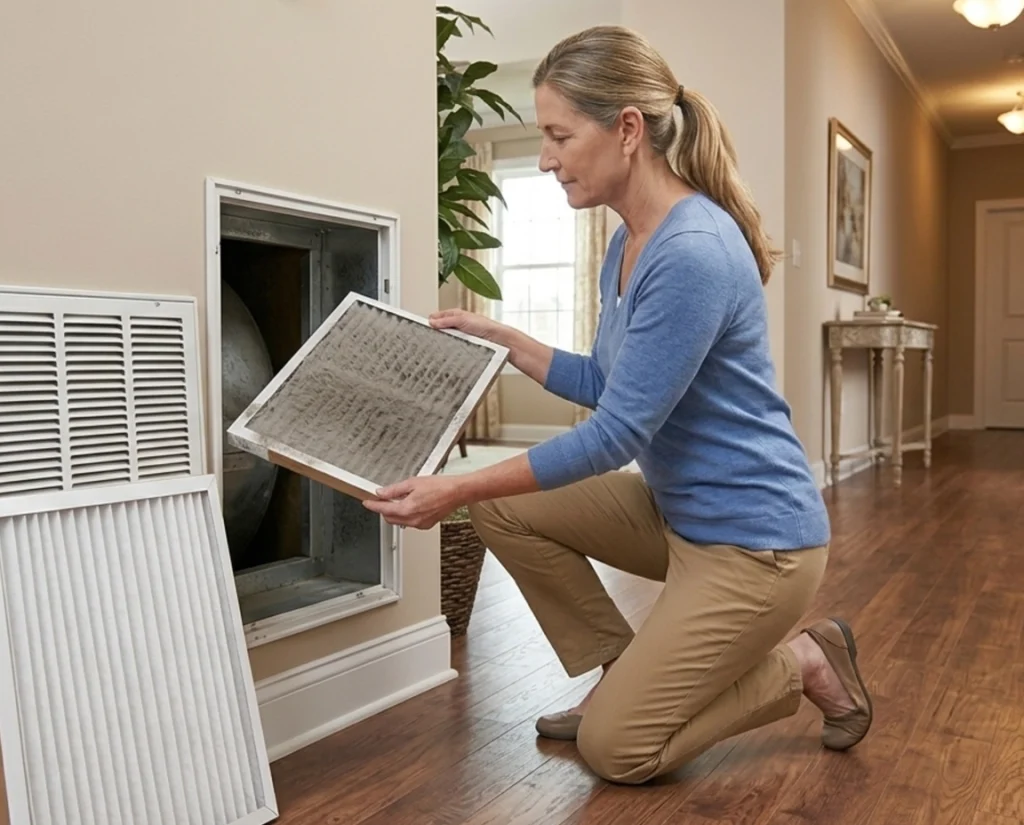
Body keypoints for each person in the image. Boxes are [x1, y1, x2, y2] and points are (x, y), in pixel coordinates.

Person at [363, 24, 872, 785]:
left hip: (757, 547)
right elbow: (609, 384)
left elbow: (614, 434)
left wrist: (456, 484)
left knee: (616, 750)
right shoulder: (627, 241)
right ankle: (623, 677)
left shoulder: (693, 249)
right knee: (504, 510)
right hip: (680, 516)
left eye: (559, 135)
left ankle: (804, 658)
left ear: (627, 129)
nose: (546, 157)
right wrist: (500, 337)